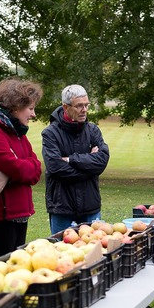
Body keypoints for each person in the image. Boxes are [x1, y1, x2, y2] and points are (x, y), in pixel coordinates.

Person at [0, 77, 43, 260]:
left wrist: (24, 167)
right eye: (30, 108)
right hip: (1, 219)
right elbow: (15, 168)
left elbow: (36, 169)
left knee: (16, 265)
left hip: (20, 214)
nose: (33, 114)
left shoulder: (18, 132)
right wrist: (23, 166)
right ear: (16, 106)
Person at [42, 84, 110, 234]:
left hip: (90, 205)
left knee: (94, 252)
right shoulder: (50, 134)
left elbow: (102, 160)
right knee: (61, 251)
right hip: (62, 207)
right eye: (79, 106)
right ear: (65, 107)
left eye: (86, 105)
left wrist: (70, 159)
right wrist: (89, 169)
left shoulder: (93, 130)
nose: (84, 110)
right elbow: (55, 167)